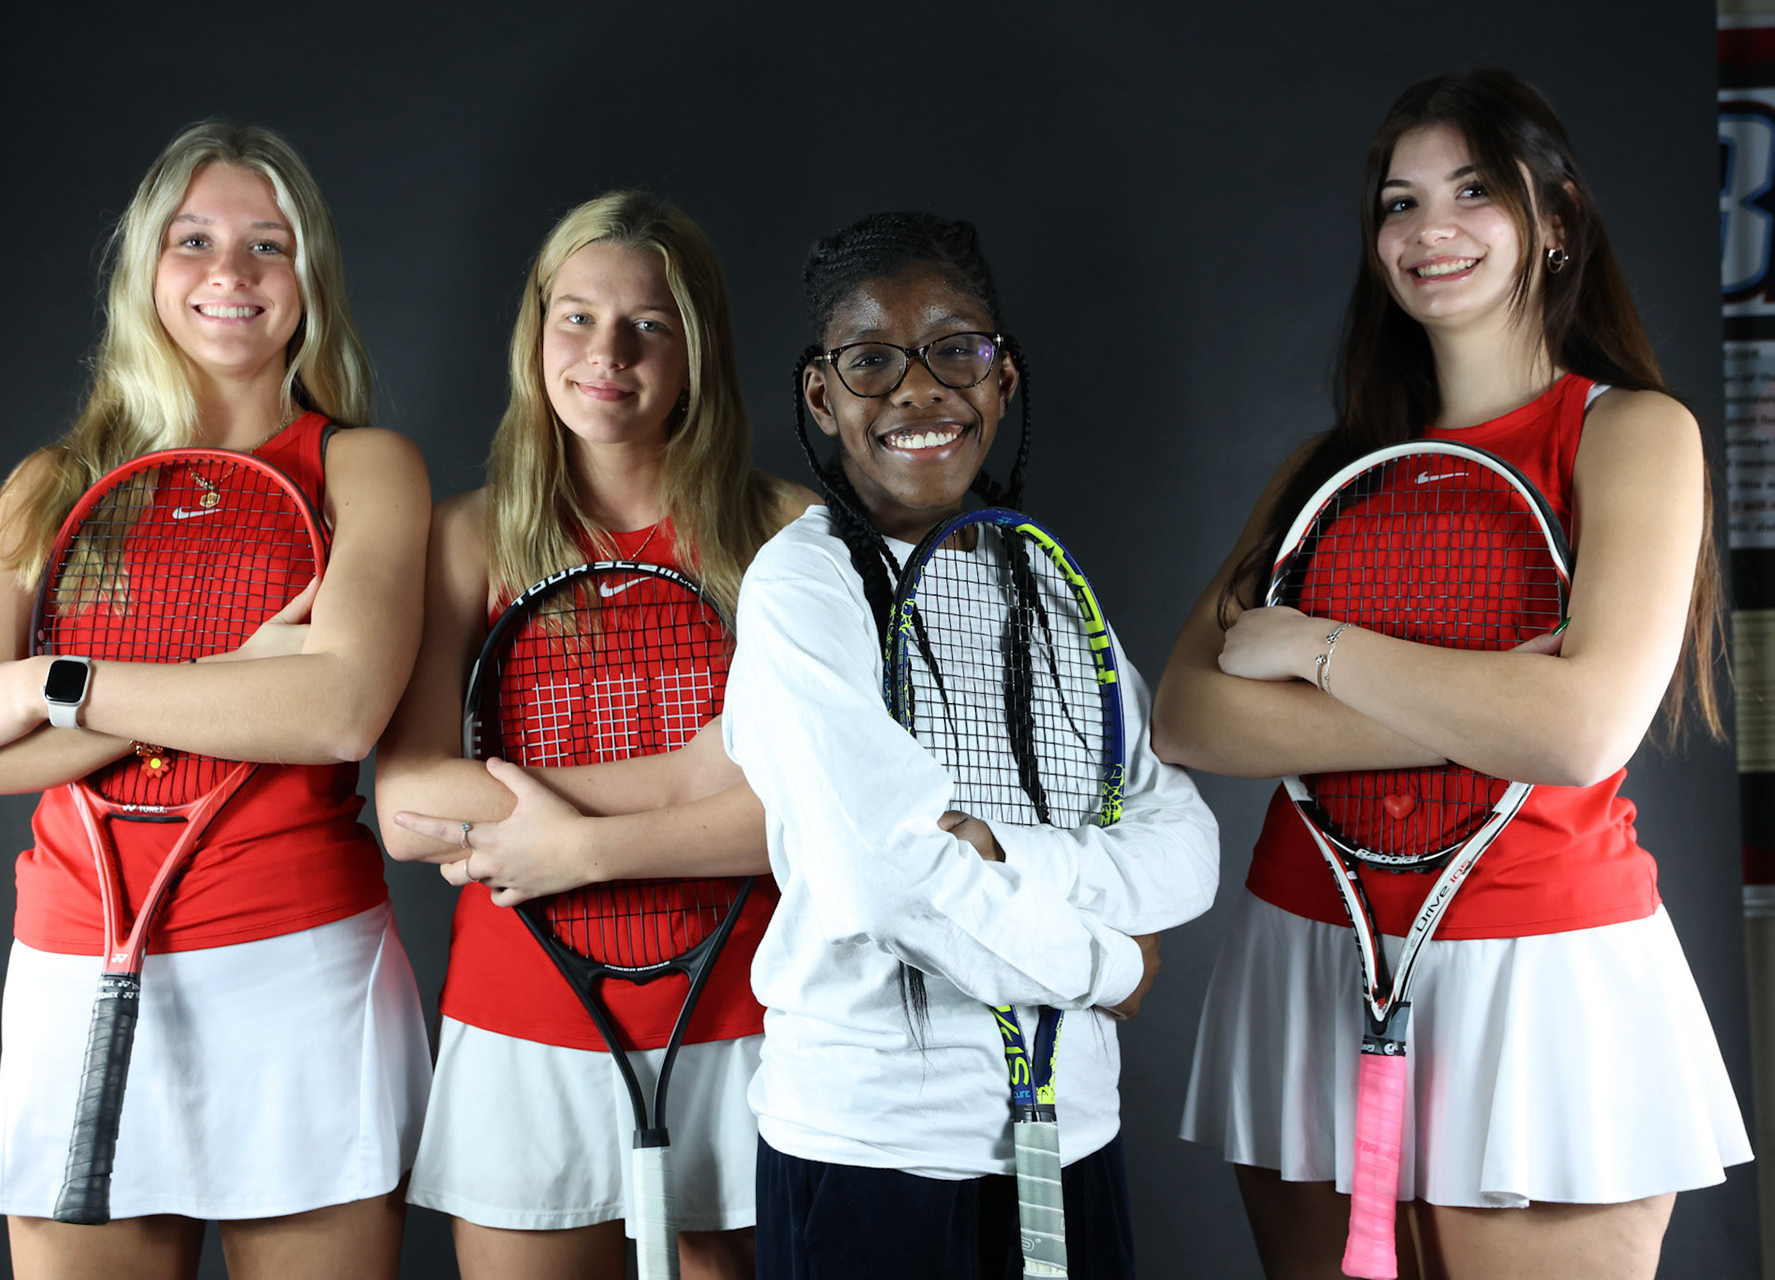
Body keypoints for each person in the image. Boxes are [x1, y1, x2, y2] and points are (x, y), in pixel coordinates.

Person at [1155, 68, 1751, 1280]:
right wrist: (1490, 709)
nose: (1430, 229)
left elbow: (1582, 731)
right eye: (1397, 202)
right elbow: (1189, 714)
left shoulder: (1635, 434)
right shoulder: (1328, 467)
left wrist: (1321, 655)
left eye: (1474, 190)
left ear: (1557, 220)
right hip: (1306, 950)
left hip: (1545, 970)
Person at [0, 123, 431, 1279]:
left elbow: (337, 712)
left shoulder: (366, 468)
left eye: (267, 245)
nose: (230, 274)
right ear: (147, 266)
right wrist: (243, 677)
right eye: (195, 241)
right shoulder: (51, 485)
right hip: (71, 962)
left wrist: (47, 687)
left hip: (303, 967)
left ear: (309, 280)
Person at [712, 211, 1218, 1278]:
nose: (917, 388)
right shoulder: (804, 589)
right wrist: (1106, 961)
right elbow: (884, 881)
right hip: (871, 1151)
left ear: (1003, 378)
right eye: (871, 360)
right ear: (822, 394)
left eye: (956, 349)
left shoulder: (1037, 580)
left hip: (1072, 1130)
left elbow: (1188, 846)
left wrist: (1003, 850)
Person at [373, 190, 815, 1280]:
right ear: (535, 334)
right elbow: (409, 803)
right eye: (577, 316)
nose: (607, 353)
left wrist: (571, 844)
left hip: (752, 1019)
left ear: (695, 350)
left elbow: (810, 814)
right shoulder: (468, 536)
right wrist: (697, 784)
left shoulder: (791, 535)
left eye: (648, 326)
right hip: (525, 1022)